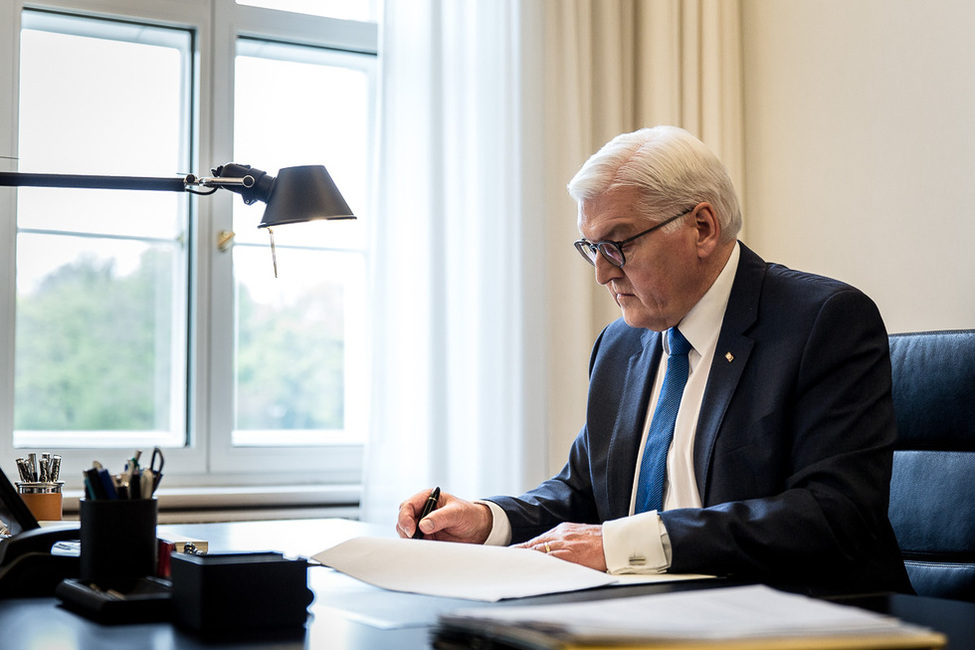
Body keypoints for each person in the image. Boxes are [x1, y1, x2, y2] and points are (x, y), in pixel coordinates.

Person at [396, 125, 911, 595]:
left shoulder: (824, 321)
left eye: (617, 245)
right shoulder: (619, 345)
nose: (601, 273)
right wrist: (489, 520)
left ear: (702, 228)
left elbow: (832, 514)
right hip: (650, 613)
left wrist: (626, 545)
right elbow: (583, 493)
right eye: (590, 247)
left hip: (805, 618)